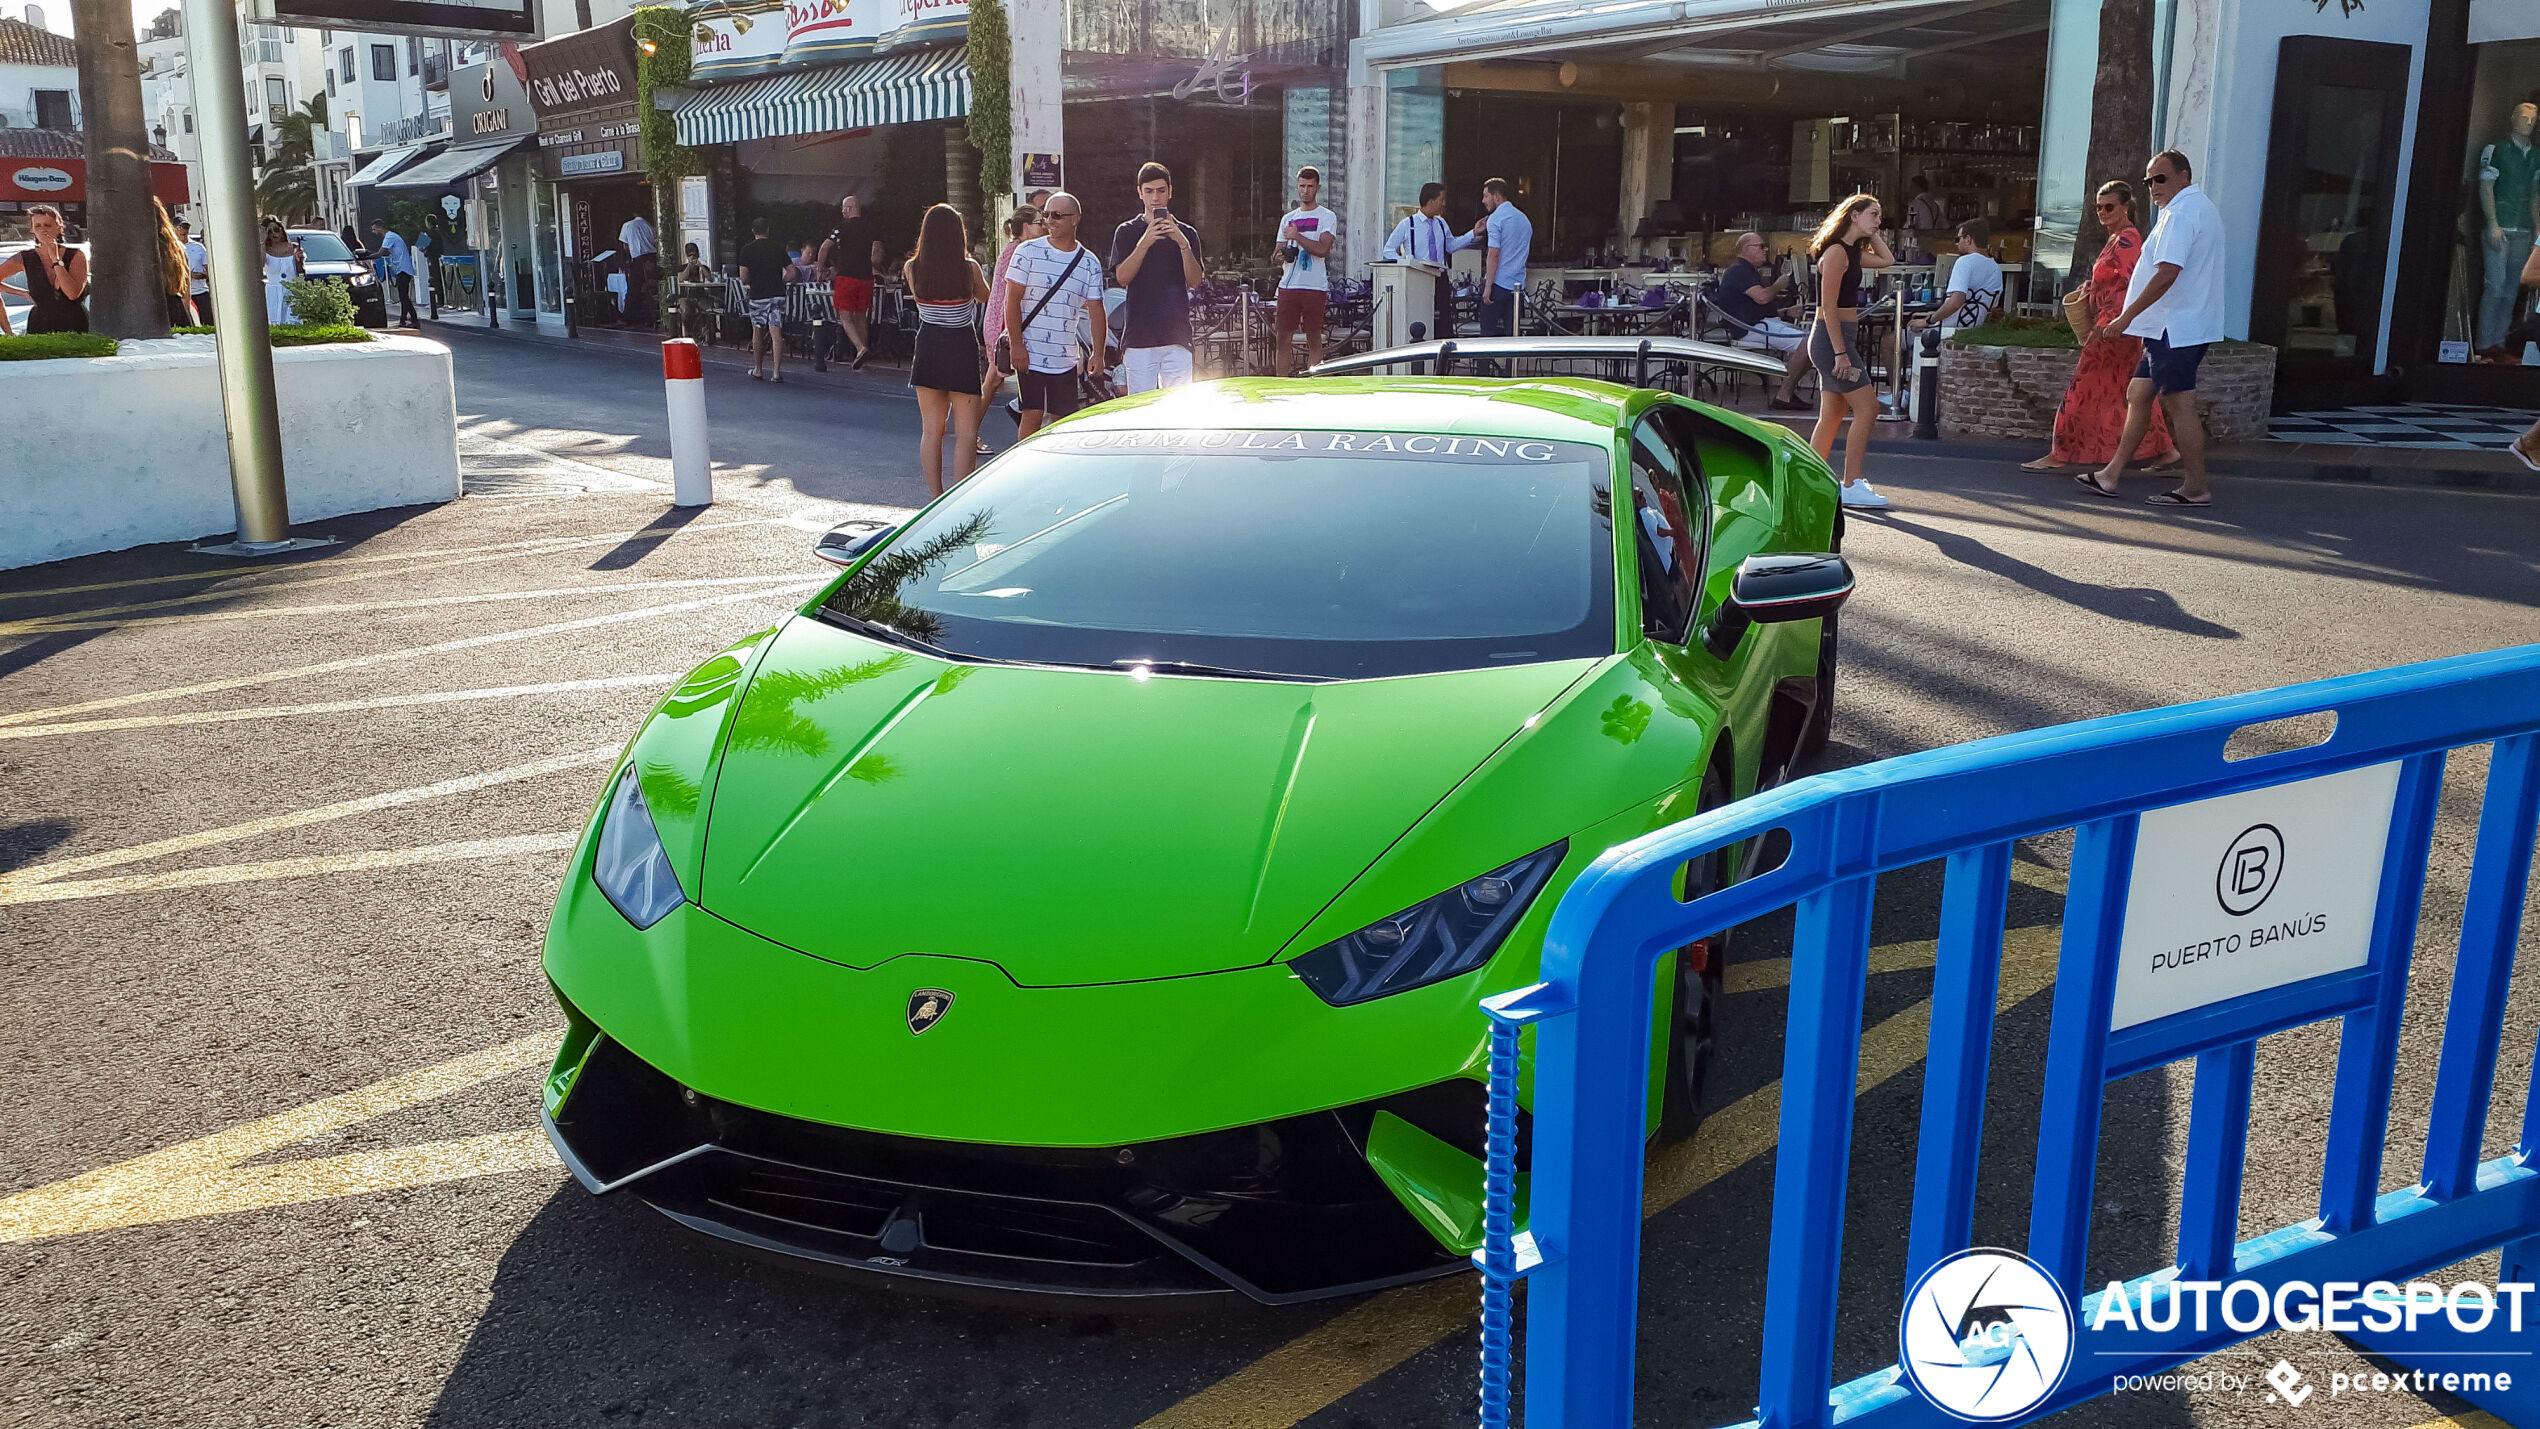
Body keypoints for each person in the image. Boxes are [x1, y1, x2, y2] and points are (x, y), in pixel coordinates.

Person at [2079, 149, 2226, 507]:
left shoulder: (2179, 214)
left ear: (2184, 176)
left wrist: (2125, 317)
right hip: (2175, 325)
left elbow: (2167, 272)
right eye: (2148, 181)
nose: (2153, 187)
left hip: (2174, 327)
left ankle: (2195, 487)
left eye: (2160, 178)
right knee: (2138, 394)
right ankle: (2110, 474)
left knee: (2180, 403)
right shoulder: (2199, 208)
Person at [2020, 183, 2174, 473]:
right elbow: (2116, 280)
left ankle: (2061, 452)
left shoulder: (2127, 241)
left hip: (2112, 327)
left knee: (2081, 390)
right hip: (2119, 326)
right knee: (2126, 391)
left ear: (2126, 207)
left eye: (2109, 207)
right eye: (2099, 207)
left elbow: (2132, 284)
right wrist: (2093, 286)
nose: (2102, 212)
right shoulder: (2118, 238)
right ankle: (2166, 449)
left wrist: (2116, 321)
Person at [1806, 193, 1895, 509]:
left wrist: (1874, 232)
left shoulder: (1853, 253)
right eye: (1873, 214)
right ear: (1853, 215)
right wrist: (1841, 354)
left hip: (1839, 339)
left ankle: (1809, 482)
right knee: (1868, 409)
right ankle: (1852, 483)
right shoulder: (1835, 254)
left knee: (1832, 413)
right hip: (1832, 341)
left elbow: (1887, 261)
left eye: (1880, 215)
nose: (1878, 220)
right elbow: (1828, 308)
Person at [1000, 190, 1109, 437]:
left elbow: (1096, 310)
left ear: (1075, 219)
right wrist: (1016, 345)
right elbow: (1012, 300)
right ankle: (1026, 469)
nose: (1050, 220)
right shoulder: (1027, 252)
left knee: (1062, 420)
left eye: (1057, 215)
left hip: (1065, 356)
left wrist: (1098, 354)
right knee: (1032, 414)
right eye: (1046, 215)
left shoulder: (1088, 262)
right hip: (1030, 351)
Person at [904, 203, 994, 497]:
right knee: (966, 434)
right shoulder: (969, 269)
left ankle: (934, 497)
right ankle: (959, 501)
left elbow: (920, 299)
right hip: (960, 346)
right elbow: (985, 297)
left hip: (929, 344)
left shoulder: (912, 268)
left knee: (931, 431)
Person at [1108, 162, 1205, 393]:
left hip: (1177, 336)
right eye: (1149, 191)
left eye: (1161, 191)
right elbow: (1122, 277)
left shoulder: (1187, 233)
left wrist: (1181, 242)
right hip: (1139, 336)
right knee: (1141, 408)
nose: (1155, 198)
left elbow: (1195, 281)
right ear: (1140, 192)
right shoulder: (1127, 231)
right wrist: (1145, 242)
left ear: (1170, 192)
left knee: (1179, 408)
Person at [1713, 230, 1812, 411]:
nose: (1765, 250)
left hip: (1755, 325)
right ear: (1745, 248)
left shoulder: (1747, 271)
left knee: (1813, 341)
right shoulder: (1738, 271)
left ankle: (1787, 392)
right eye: (1760, 246)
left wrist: (1785, 312)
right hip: (1747, 329)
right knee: (1807, 343)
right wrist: (1778, 285)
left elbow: (1756, 308)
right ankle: (1784, 394)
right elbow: (1762, 298)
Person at [2476, 101, 2540, 360]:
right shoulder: (2496, 149)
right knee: (2495, 285)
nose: (2528, 123)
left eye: (2533, 120)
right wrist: (2492, 222)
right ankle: (2483, 343)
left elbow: (2535, 195)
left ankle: (2498, 343)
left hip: (2523, 229)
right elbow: (2486, 187)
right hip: (2500, 226)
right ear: (2512, 118)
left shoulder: (2536, 155)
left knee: (2512, 288)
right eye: (2524, 117)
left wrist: (2537, 229)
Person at [981, 205, 1045, 449]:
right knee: (993, 383)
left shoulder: (1014, 248)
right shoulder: (1019, 249)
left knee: (993, 382)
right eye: (1040, 222)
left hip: (999, 322)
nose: (1044, 226)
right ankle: (969, 433)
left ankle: (970, 432)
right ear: (1026, 227)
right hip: (1002, 325)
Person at [1272, 166, 1339, 375]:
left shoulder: (1327, 216)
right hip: (1289, 284)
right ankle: (1281, 383)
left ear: (1317, 188)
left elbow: (1322, 250)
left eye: (1310, 186)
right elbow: (1275, 256)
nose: (1305, 191)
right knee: (1282, 337)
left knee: (1314, 337)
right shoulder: (1287, 218)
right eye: (1302, 186)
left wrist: (1297, 236)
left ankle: (1314, 382)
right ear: (1297, 187)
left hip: (1314, 285)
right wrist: (1280, 254)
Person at [1380, 181, 1461, 341]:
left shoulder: (1441, 223)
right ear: (1431, 201)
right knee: (1422, 317)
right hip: (1419, 278)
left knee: (1443, 319)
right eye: (1442, 199)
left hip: (1440, 277)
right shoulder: (1407, 224)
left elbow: (1451, 246)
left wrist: (1473, 234)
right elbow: (1388, 250)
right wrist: (1408, 263)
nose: (1444, 204)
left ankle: (1443, 357)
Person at [816, 193, 883, 371]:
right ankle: (862, 355)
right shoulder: (871, 228)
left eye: (844, 208)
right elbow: (877, 253)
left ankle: (861, 349)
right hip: (866, 278)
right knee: (861, 315)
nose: (842, 212)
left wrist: (820, 268)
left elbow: (825, 247)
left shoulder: (841, 228)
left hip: (847, 276)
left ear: (849, 208)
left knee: (845, 317)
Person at [0, 204, 89, 335]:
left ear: (59, 227)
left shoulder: (76, 255)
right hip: (39, 324)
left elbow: (72, 293)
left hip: (74, 325)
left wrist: (56, 260)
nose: (43, 230)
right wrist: (22, 293)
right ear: (32, 229)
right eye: (38, 226)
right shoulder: (25, 257)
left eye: (47, 225)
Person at [1472, 176, 1533, 340]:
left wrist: (1488, 286)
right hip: (1517, 286)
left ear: (1496, 196)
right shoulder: (1524, 219)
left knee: (1487, 337)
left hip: (1498, 283)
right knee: (1513, 337)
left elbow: (1494, 253)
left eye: (1486, 196)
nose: (1483, 200)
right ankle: (1510, 366)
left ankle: (1484, 366)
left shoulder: (1496, 219)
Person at [736, 216, 790, 382]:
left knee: (757, 330)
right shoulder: (778, 248)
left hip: (758, 294)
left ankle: (758, 369)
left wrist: (754, 280)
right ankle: (776, 372)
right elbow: (793, 272)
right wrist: (781, 281)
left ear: (753, 231)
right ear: (768, 230)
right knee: (776, 331)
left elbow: (743, 277)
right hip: (777, 294)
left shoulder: (747, 250)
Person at [369, 219, 418, 327]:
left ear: (380, 227)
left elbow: (381, 253)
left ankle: (414, 319)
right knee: (403, 295)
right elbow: (386, 252)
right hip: (404, 268)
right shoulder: (392, 236)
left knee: (404, 296)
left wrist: (367, 257)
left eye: (374, 229)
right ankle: (403, 319)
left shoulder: (389, 237)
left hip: (403, 268)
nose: (373, 232)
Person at [154, 199, 194, 327]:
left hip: (153, 312)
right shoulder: (176, 247)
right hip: (176, 308)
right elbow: (186, 293)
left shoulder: (144, 249)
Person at [260, 216, 306, 327]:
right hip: (273, 292)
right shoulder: (264, 249)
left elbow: (301, 273)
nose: (273, 234)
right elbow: (259, 265)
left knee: (293, 323)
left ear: (282, 230)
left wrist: (299, 260)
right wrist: (262, 242)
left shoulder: (294, 247)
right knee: (273, 323)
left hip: (292, 290)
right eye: (269, 232)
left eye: (276, 230)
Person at [619, 210, 658, 325]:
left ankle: (628, 318)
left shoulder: (628, 225)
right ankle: (647, 316)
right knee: (648, 287)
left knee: (633, 288)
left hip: (638, 259)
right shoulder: (649, 226)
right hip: (652, 258)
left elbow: (625, 245)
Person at [674, 241, 715, 342]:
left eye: (695, 255)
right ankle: (689, 332)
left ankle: (708, 334)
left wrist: (700, 267)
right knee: (686, 310)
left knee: (709, 309)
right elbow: (681, 278)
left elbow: (710, 279)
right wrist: (689, 266)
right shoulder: (682, 268)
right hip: (686, 296)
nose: (693, 258)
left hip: (700, 295)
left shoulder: (703, 268)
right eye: (690, 255)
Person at [179, 217, 211, 328]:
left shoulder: (198, 247)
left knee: (209, 324)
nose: (183, 230)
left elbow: (209, 271)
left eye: (186, 227)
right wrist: (188, 275)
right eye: (180, 227)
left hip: (201, 292)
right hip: (182, 296)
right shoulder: (172, 247)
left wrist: (202, 275)